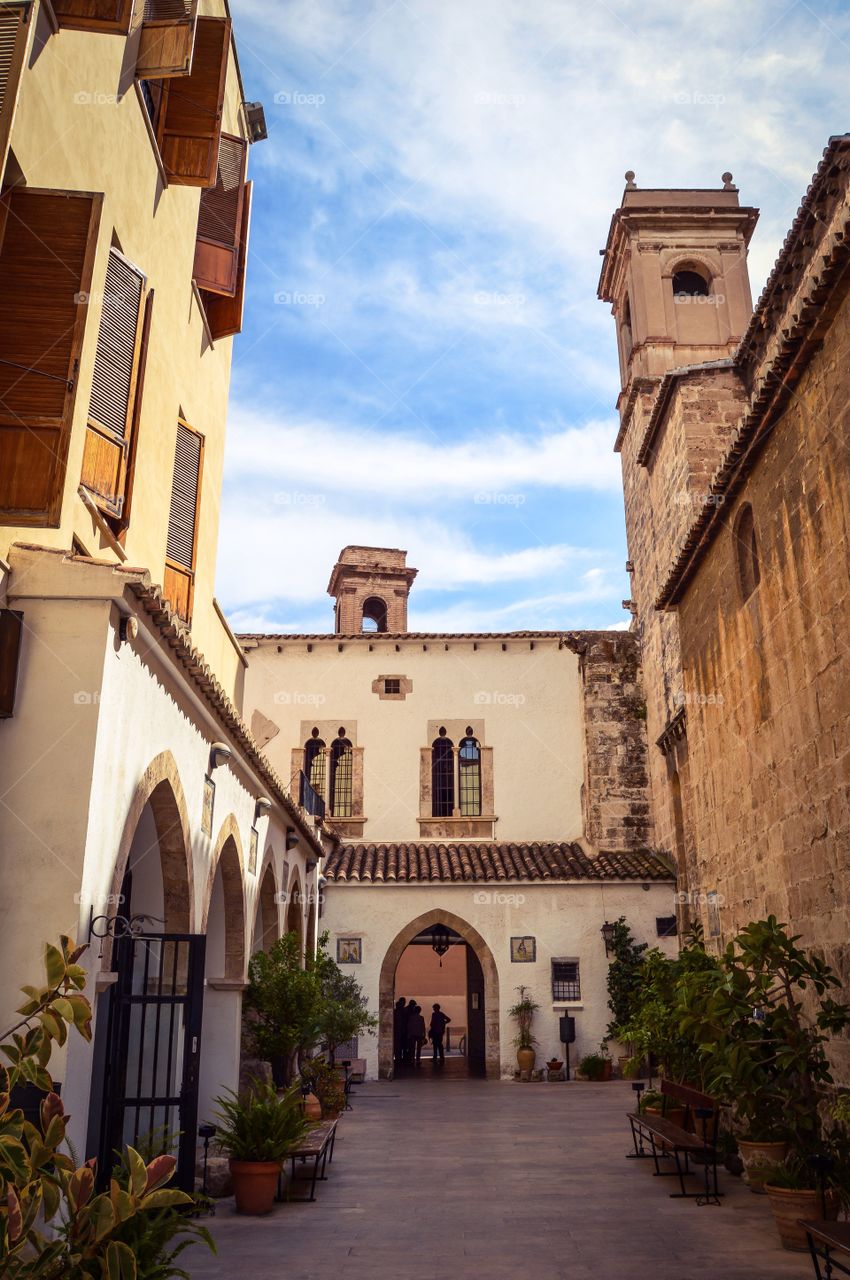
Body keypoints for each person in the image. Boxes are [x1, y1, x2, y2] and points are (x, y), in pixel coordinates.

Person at [393, 996, 408, 1066]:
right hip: (399, 1031)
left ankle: (399, 1058)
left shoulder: (403, 1011)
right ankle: (398, 1059)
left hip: (401, 1031)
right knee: (398, 1046)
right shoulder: (400, 1012)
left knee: (400, 1046)